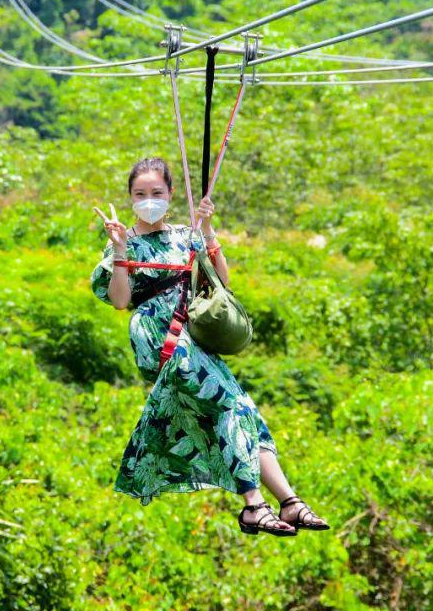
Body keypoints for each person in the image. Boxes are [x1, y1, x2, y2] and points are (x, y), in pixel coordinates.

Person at [90, 156, 329, 536]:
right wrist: (119, 251)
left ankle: (288, 501)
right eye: (140, 194)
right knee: (225, 402)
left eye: (156, 192)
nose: (148, 200)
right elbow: (119, 300)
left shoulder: (186, 235)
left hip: (194, 341)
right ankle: (253, 503)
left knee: (245, 412)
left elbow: (221, 280)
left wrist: (208, 229)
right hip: (162, 342)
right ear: (130, 198)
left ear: (170, 194)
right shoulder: (126, 243)